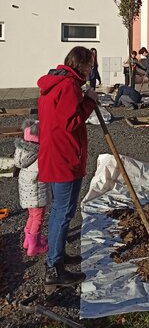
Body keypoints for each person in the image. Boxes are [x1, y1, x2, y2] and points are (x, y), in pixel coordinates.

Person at [37, 46, 98, 293]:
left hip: (57, 155)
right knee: (62, 214)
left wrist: (83, 100)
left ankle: (57, 256)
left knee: (61, 212)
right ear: (81, 65)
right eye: (90, 66)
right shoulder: (68, 86)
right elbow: (70, 122)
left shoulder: (56, 82)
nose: (91, 70)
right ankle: (55, 269)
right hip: (64, 159)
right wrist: (90, 102)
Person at [14, 120, 51, 257]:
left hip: (26, 189)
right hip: (36, 190)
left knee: (32, 215)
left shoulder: (22, 152)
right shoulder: (40, 153)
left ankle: (28, 241)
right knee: (38, 218)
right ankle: (34, 246)